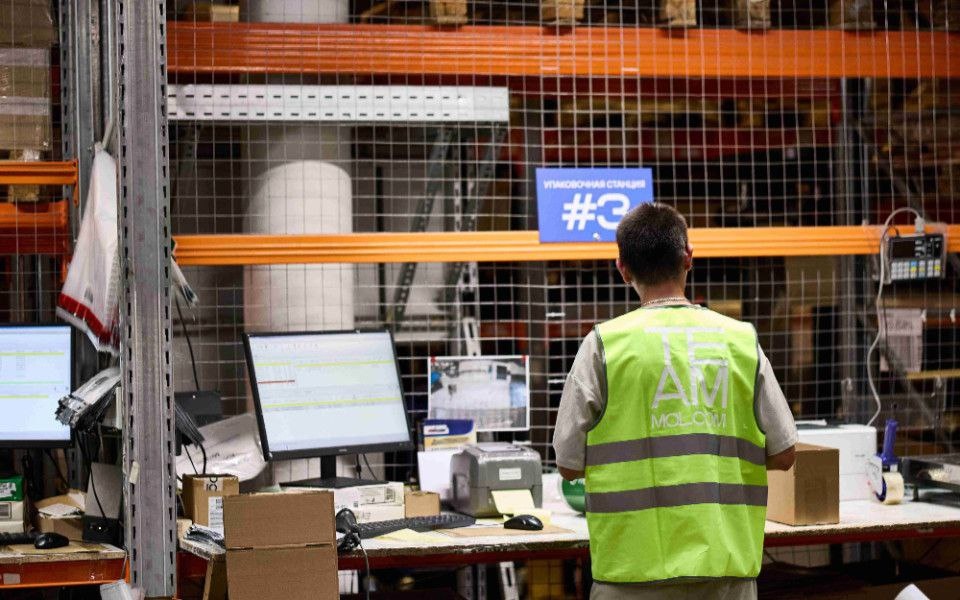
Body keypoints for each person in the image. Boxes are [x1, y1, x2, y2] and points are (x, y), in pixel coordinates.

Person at [553, 202, 797, 600]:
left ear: (623, 269)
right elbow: (784, 453)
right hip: (725, 579)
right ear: (688, 258)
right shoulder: (739, 342)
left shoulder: (603, 346)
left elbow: (567, 464)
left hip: (630, 579)